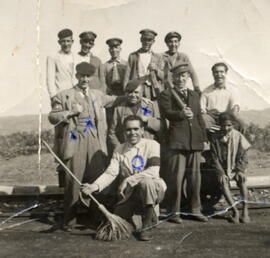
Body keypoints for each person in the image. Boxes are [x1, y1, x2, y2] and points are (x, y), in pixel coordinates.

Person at [48, 62, 124, 231]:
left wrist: (134, 97)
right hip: (75, 139)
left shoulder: (97, 95)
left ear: (91, 78)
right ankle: (69, 220)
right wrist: (71, 112)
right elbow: (52, 116)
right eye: (82, 75)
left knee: (96, 180)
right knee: (73, 182)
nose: (85, 79)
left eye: (88, 76)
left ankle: (96, 218)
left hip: (95, 141)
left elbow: (115, 100)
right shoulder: (63, 96)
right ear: (76, 76)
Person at [81, 115, 166, 241]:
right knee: (121, 222)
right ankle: (145, 216)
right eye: (129, 130)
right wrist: (94, 186)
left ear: (142, 130)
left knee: (146, 182)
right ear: (124, 131)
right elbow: (111, 173)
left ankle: (146, 225)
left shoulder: (152, 145)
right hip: (130, 193)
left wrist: (128, 180)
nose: (133, 133)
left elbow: (153, 171)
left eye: (136, 129)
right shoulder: (119, 149)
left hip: (153, 189)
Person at [159, 63, 208, 223]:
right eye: (177, 76)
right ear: (173, 78)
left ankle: (195, 210)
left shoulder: (194, 95)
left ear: (188, 77)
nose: (180, 79)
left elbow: (199, 118)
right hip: (177, 142)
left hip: (195, 141)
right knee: (176, 179)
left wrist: (204, 138)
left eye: (184, 76)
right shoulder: (166, 94)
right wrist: (180, 114)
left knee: (195, 179)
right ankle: (175, 212)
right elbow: (167, 113)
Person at [207, 112, 251, 223]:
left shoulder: (238, 136)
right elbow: (214, 157)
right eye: (223, 125)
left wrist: (239, 170)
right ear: (220, 125)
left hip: (236, 167)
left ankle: (245, 211)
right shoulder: (215, 138)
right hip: (222, 168)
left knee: (242, 180)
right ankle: (235, 210)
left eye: (229, 125)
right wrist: (221, 172)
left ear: (233, 125)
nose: (226, 128)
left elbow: (244, 156)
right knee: (223, 182)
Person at [108, 78, 161, 150]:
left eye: (136, 92)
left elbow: (160, 127)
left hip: (147, 148)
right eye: (130, 92)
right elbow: (112, 132)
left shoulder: (150, 105)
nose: (133, 95)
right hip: (128, 150)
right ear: (126, 93)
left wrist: (148, 120)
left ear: (141, 93)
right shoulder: (119, 109)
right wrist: (119, 147)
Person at [200, 62, 245, 132]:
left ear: (226, 73)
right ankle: (205, 141)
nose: (219, 75)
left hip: (227, 117)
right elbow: (202, 109)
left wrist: (233, 118)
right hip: (211, 117)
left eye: (221, 72)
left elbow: (235, 107)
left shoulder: (233, 90)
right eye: (216, 72)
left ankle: (237, 141)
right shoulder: (206, 91)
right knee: (203, 120)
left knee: (241, 123)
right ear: (213, 74)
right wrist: (205, 113)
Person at [123, 29, 164, 101]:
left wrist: (156, 68)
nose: (147, 42)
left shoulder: (158, 57)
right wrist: (126, 91)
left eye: (149, 40)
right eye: (144, 39)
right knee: (140, 110)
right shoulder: (133, 56)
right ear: (141, 40)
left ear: (153, 41)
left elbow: (163, 76)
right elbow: (127, 76)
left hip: (153, 90)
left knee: (153, 109)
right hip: (137, 89)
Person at [46, 28, 75, 101]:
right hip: (60, 95)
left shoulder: (76, 57)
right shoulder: (53, 57)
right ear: (59, 42)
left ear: (72, 42)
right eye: (63, 41)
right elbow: (50, 79)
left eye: (68, 41)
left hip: (76, 95)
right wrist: (53, 96)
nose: (66, 44)